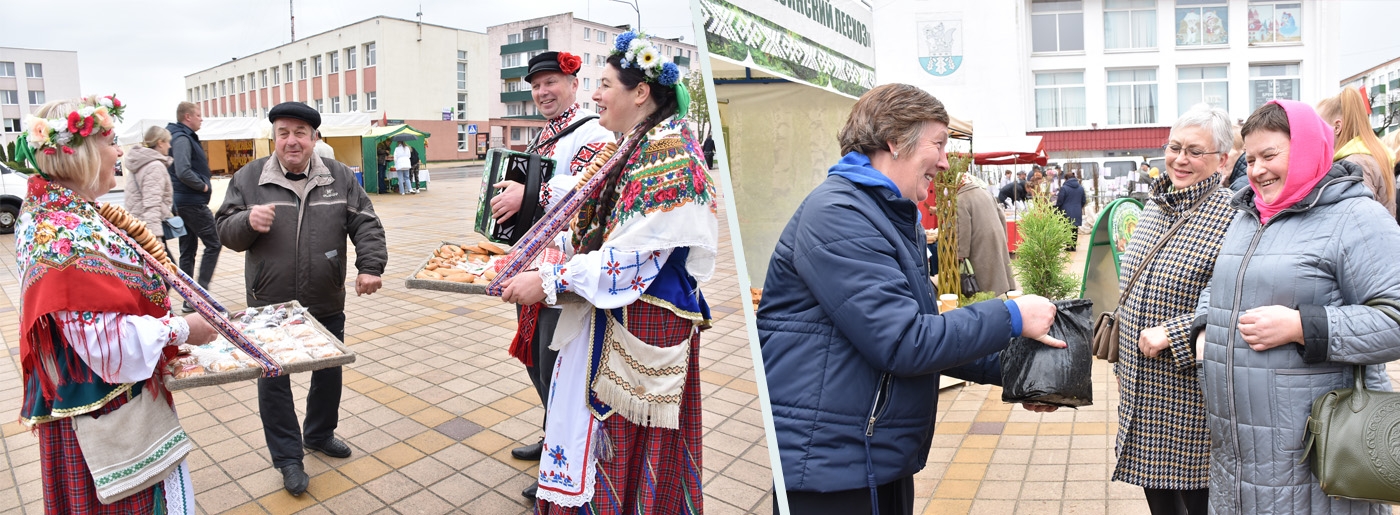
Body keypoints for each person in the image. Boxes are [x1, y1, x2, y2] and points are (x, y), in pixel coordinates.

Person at [757, 83, 1065, 515]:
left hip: (870, 451)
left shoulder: (887, 214)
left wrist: (1025, 372)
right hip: (830, 468)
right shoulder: (839, 215)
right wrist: (1011, 314)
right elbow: (905, 343)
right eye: (937, 145)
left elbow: (923, 333)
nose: (944, 161)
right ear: (894, 141)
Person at [499, 31, 717, 514]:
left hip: (642, 320)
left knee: (623, 445)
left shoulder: (669, 153)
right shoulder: (637, 142)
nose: (596, 94)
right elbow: (584, 206)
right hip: (622, 314)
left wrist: (551, 280)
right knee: (605, 438)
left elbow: (636, 258)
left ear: (640, 93)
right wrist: (540, 257)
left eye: (604, 84)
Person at [1194, 99, 1400, 513]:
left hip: (1311, 457)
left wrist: (1302, 326)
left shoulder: (1356, 217)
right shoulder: (1248, 215)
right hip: (1237, 456)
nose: (1256, 170)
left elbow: (1394, 318)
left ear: (1308, 149)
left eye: (1270, 155)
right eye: (1250, 158)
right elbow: (1223, 284)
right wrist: (1205, 328)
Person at [16, 95, 217, 513]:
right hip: (106, 416)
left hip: (112, 406)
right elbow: (104, 343)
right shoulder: (61, 231)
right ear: (80, 153)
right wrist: (183, 330)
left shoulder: (66, 210)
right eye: (109, 141)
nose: (119, 150)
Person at [214, 102, 388, 497]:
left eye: (300, 133)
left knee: (328, 373)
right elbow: (223, 230)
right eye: (283, 133)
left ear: (314, 138)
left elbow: (366, 221)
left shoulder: (340, 177)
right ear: (273, 137)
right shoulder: (249, 177)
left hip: (325, 298)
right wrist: (247, 222)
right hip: (268, 305)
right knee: (274, 382)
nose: (291, 141)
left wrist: (370, 266)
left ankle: (320, 433)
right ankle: (288, 458)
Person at [487, 49, 612, 500]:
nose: (542, 92)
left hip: (566, 274)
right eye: (536, 85)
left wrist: (528, 194)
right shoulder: (547, 135)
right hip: (538, 267)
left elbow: (585, 194)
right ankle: (550, 436)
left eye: (551, 82)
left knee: (554, 365)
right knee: (539, 363)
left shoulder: (594, 130)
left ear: (575, 83)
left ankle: (566, 454)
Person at [1111, 105, 1237, 515]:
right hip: (1139, 383)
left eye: (1196, 152)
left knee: (1198, 498)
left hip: (1188, 391)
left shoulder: (1233, 214)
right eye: (1175, 147)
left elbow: (1238, 298)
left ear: (1222, 159)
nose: (1181, 159)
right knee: (1158, 497)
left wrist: (1178, 331)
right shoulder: (1155, 205)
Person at [166, 102, 220, 313]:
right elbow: (183, 170)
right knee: (214, 243)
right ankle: (200, 294)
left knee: (187, 250)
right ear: (187, 117)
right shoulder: (181, 137)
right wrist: (203, 185)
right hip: (191, 202)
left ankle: (190, 298)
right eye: (198, 115)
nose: (201, 119)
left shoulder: (178, 135)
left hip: (182, 202)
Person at [1317, 87, 1396, 217]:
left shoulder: (1354, 164)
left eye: (1319, 126)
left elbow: (1359, 217)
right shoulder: (1372, 157)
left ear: (1337, 127)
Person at [956, 173, 1016, 295]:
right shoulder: (985, 192)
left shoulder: (961, 198)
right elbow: (1001, 216)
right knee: (1000, 268)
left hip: (980, 240)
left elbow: (963, 227)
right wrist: (1004, 238)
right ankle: (1006, 291)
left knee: (986, 276)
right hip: (996, 234)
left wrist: (961, 252)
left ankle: (991, 299)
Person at [124, 126, 175, 253]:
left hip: (137, 226)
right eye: (167, 142)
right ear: (160, 143)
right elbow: (152, 205)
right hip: (147, 230)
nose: (169, 146)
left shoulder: (141, 162)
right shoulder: (154, 166)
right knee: (164, 270)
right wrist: (156, 239)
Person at [1054, 170, 1088, 251]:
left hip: (1066, 211)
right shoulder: (1081, 188)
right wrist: (1078, 207)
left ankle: (1068, 246)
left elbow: (1060, 201)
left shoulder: (1064, 188)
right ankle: (1073, 246)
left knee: (1066, 228)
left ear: (1066, 179)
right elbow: (1084, 200)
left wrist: (1057, 208)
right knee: (1074, 229)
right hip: (1077, 211)